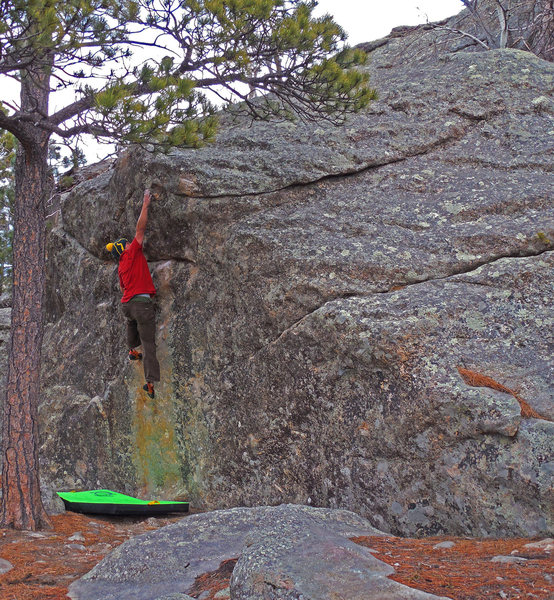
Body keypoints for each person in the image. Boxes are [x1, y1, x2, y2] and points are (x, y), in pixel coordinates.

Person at [106, 189, 160, 398]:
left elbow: (121, 289)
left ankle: (131, 350)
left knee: (131, 322)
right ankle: (150, 382)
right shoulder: (131, 252)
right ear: (124, 248)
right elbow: (140, 229)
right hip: (141, 303)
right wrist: (145, 205)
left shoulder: (120, 266)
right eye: (126, 244)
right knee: (149, 342)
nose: (130, 244)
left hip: (127, 304)